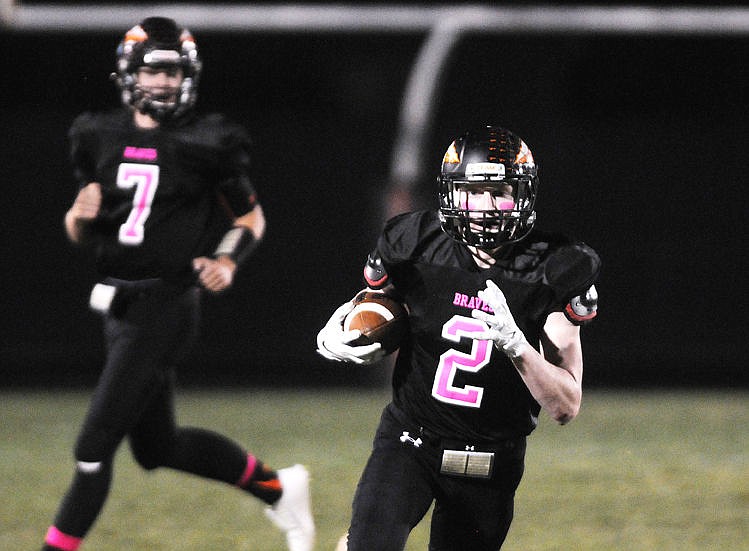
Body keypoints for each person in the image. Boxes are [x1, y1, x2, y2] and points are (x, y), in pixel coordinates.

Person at [42, 17, 314, 551]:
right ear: (129, 72)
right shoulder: (97, 135)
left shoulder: (207, 141)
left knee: (92, 447)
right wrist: (77, 216)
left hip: (167, 303)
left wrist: (227, 261)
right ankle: (279, 487)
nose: (165, 83)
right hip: (118, 304)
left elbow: (250, 219)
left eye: (174, 72)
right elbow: (82, 230)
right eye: (154, 70)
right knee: (156, 448)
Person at [317, 126, 600, 550]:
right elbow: (376, 302)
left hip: (493, 460)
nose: (486, 207)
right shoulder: (414, 242)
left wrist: (519, 348)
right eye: (473, 190)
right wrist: (344, 327)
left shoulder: (556, 268)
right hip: (410, 439)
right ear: (451, 194)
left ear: (523, 194)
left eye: (500, 190)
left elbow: (565, 406)